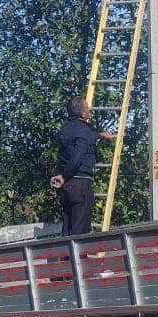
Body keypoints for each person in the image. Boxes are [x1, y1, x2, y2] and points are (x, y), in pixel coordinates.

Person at [51, 97, 115, 237]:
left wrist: (100, 135)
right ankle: (78, 258)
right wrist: (64, 175)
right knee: (80, 232)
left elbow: (86, 136)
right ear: (82, 113)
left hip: (68, 186)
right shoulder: (83, 131)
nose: (89, 110)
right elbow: (77, 158)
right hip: (80, 184)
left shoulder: (66, 127)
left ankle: (67, 258)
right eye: (87, 108)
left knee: (67, 228)